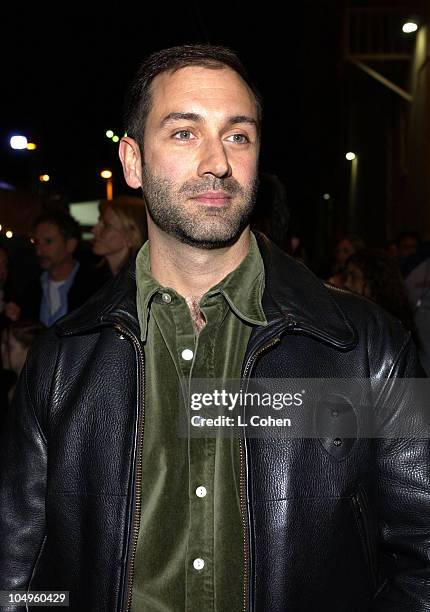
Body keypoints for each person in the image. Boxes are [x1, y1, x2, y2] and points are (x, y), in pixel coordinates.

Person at [0, 44, 429, 612]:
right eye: (184, 133)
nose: (217, 163)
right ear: (133, 161)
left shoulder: (366, 347)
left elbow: (422, 556)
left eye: (238, 135)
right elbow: (22, 580)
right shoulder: (61, 361)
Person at [5, 210, 105, 326]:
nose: (39, 250)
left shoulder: (95, 286)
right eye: (36, 242)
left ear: (70, 245)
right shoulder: (30, 290)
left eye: (48, 241)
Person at [344, 248, 416, 335]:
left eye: (353, 276)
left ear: (373, 280)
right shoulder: (356, 316)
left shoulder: (392, 324)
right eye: (347, 276)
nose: (347, 284)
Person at [91, 195, 147, 277]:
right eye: (99, 222)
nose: (94, 230)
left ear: (132, 237)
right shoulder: (90, 277)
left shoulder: (139, 285)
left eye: (107, 226)